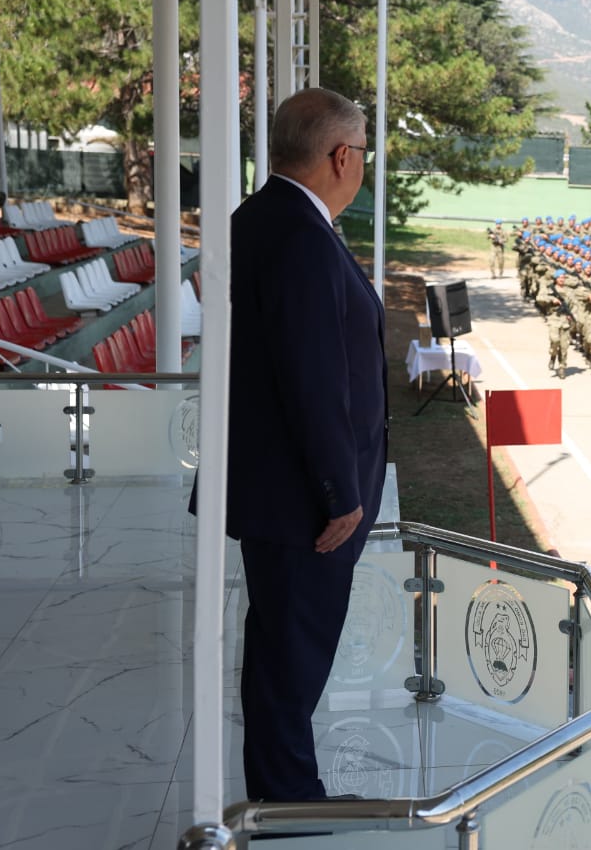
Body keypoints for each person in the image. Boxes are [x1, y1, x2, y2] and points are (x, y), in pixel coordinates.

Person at [221, 87, 388, 801]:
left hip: (282, 488)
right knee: (290, 662)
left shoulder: (269, 217)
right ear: (342, 156)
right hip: (303, 501)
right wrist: (339, 494)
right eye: (364, 156)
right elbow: (311, 376)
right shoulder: (297, 234)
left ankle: (287, 795)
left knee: (283, 656)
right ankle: (288, 809)